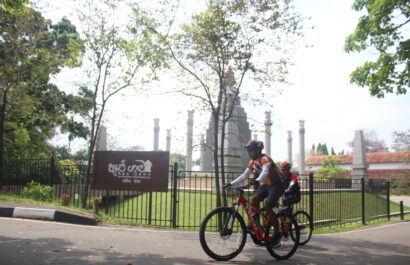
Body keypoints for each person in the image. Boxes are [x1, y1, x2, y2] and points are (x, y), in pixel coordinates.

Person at [225, 140, 285, 247]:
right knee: (254, 200)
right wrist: (231, 183)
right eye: (248, 151)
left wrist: (257, 180)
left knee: (267, 204)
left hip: (277, 185)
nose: (249, 153)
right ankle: (256, 226)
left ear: (257, 150)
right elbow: (244, 176)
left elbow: (265, 171)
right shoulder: (252, 163)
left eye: (251, 151)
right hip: (266, 185)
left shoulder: (264, 159)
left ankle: (277, 233)